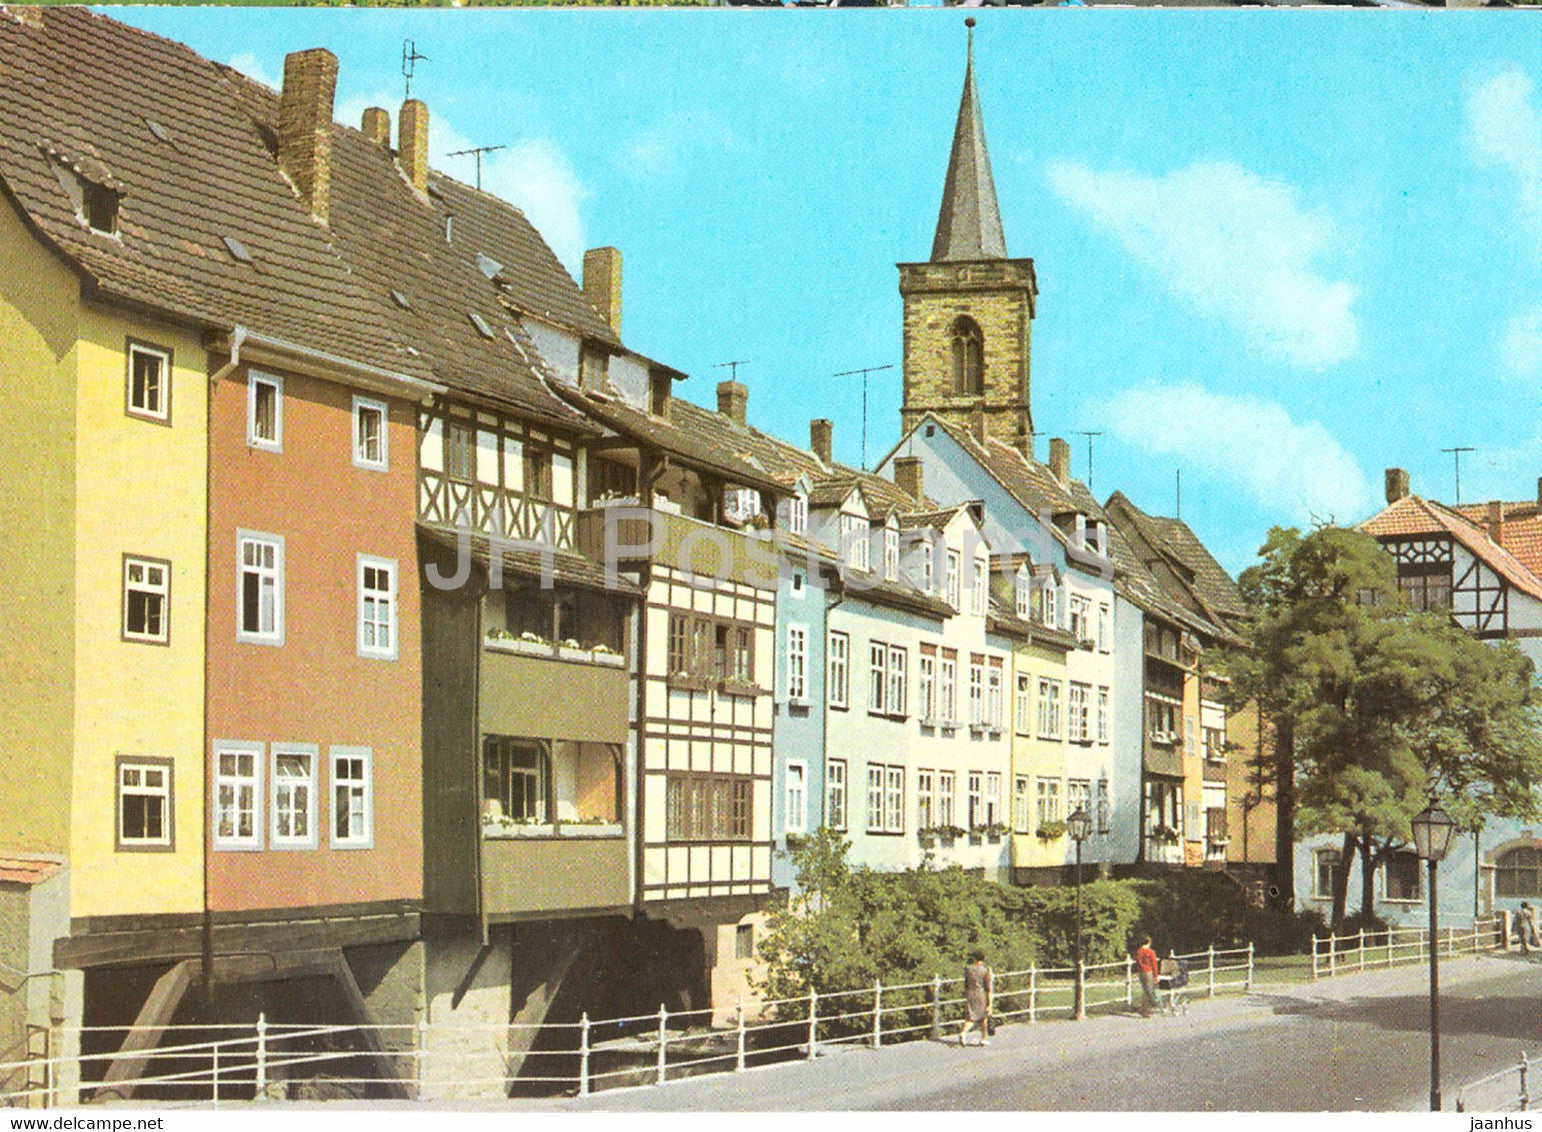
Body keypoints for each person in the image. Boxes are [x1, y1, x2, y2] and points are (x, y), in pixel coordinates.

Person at [958, 950, 994, 1047]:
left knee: (971, 1016)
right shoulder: (985, 971)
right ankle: (983, 1038)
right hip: (980, 993)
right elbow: (988, 987)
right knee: (984, 1016)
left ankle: (963, 1032)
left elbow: (966, 983)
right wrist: (990, 1003)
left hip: (970, 993)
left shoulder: (968, 969)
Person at [1135, 935, 1160, 1018]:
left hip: (1141, 972)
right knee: (1149, 991)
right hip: (1148, 972)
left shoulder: (1138, 951)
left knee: (1145, 990)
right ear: (1148, 943)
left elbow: (1137, 962)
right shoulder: (1150, 952)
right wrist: (1156, 975)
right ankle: (1145, 1010)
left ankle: (1144, 1008)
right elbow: (1154, 964)